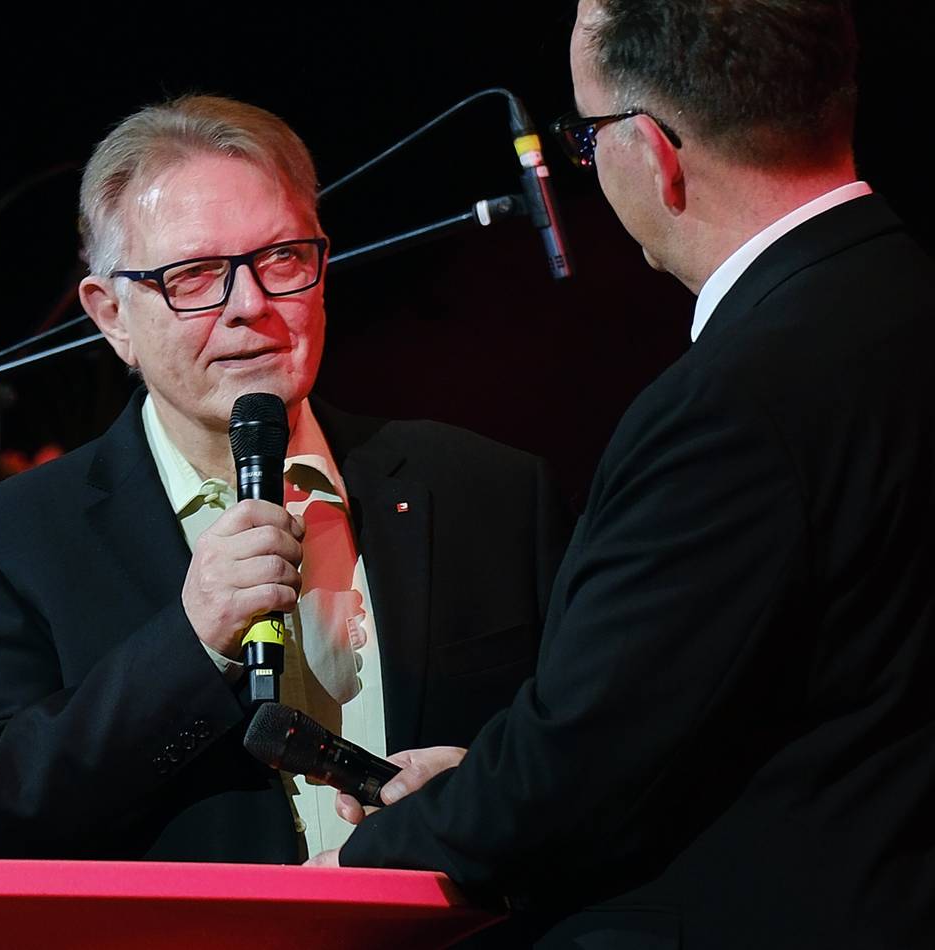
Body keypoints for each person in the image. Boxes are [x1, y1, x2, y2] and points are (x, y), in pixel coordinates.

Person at [313, 2, 935, 946]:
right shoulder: (899, 296)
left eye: (583, 134)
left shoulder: (732, 404)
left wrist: (362, 863)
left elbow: (585, 764)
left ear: (652, 152)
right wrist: (482, 775)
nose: (586, 160)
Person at [0, 95, 571, 863]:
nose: (251, 305)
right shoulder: (15, 538)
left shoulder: (490, 492)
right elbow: (1, 807)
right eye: (195, 275)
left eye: (283, 258)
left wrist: (488, 795)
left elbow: (598, 761)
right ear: (112, 317)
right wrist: (190, 643)